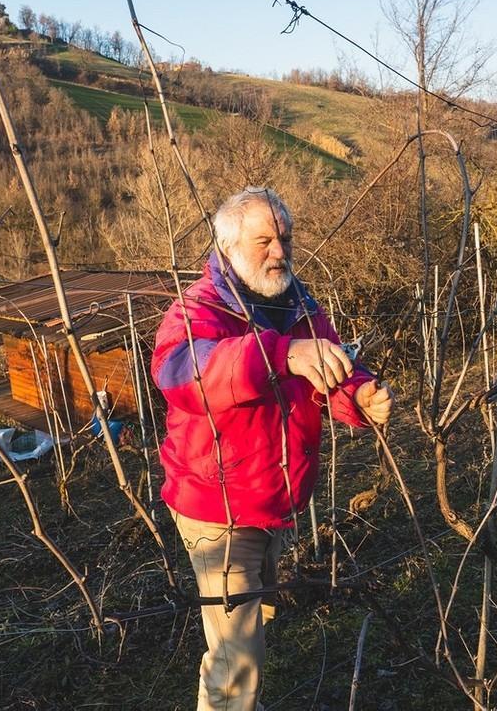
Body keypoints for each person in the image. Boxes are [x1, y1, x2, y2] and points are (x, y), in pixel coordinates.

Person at [151, 188, 393, 711]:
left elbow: (332, 369)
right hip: (218, 509)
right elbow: (184, 374)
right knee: (238, 659)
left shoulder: (298, 306)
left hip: (273, 505)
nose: (280, 252)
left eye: (285, 238)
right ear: (228, 245)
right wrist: (283, 353)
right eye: (265, 241)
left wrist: (361, 395)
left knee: (247, 628)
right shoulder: (199, 309)